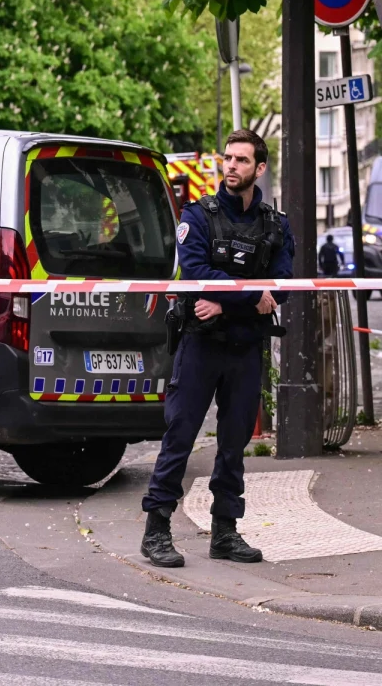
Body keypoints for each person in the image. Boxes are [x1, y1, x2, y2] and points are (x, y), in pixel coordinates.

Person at [141, 128, 294, 568]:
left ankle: (224, 532)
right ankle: (156, 531)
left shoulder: (275, 224)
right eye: (228, 158)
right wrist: (249, 296)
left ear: (259, 168)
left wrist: (225, 303)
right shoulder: (200, 215)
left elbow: (281, 287)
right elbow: (195, 271)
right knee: (180, 436)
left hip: (245, 348)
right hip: (201, 345)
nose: (231, 166)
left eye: (242, 160)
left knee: (233, 444)